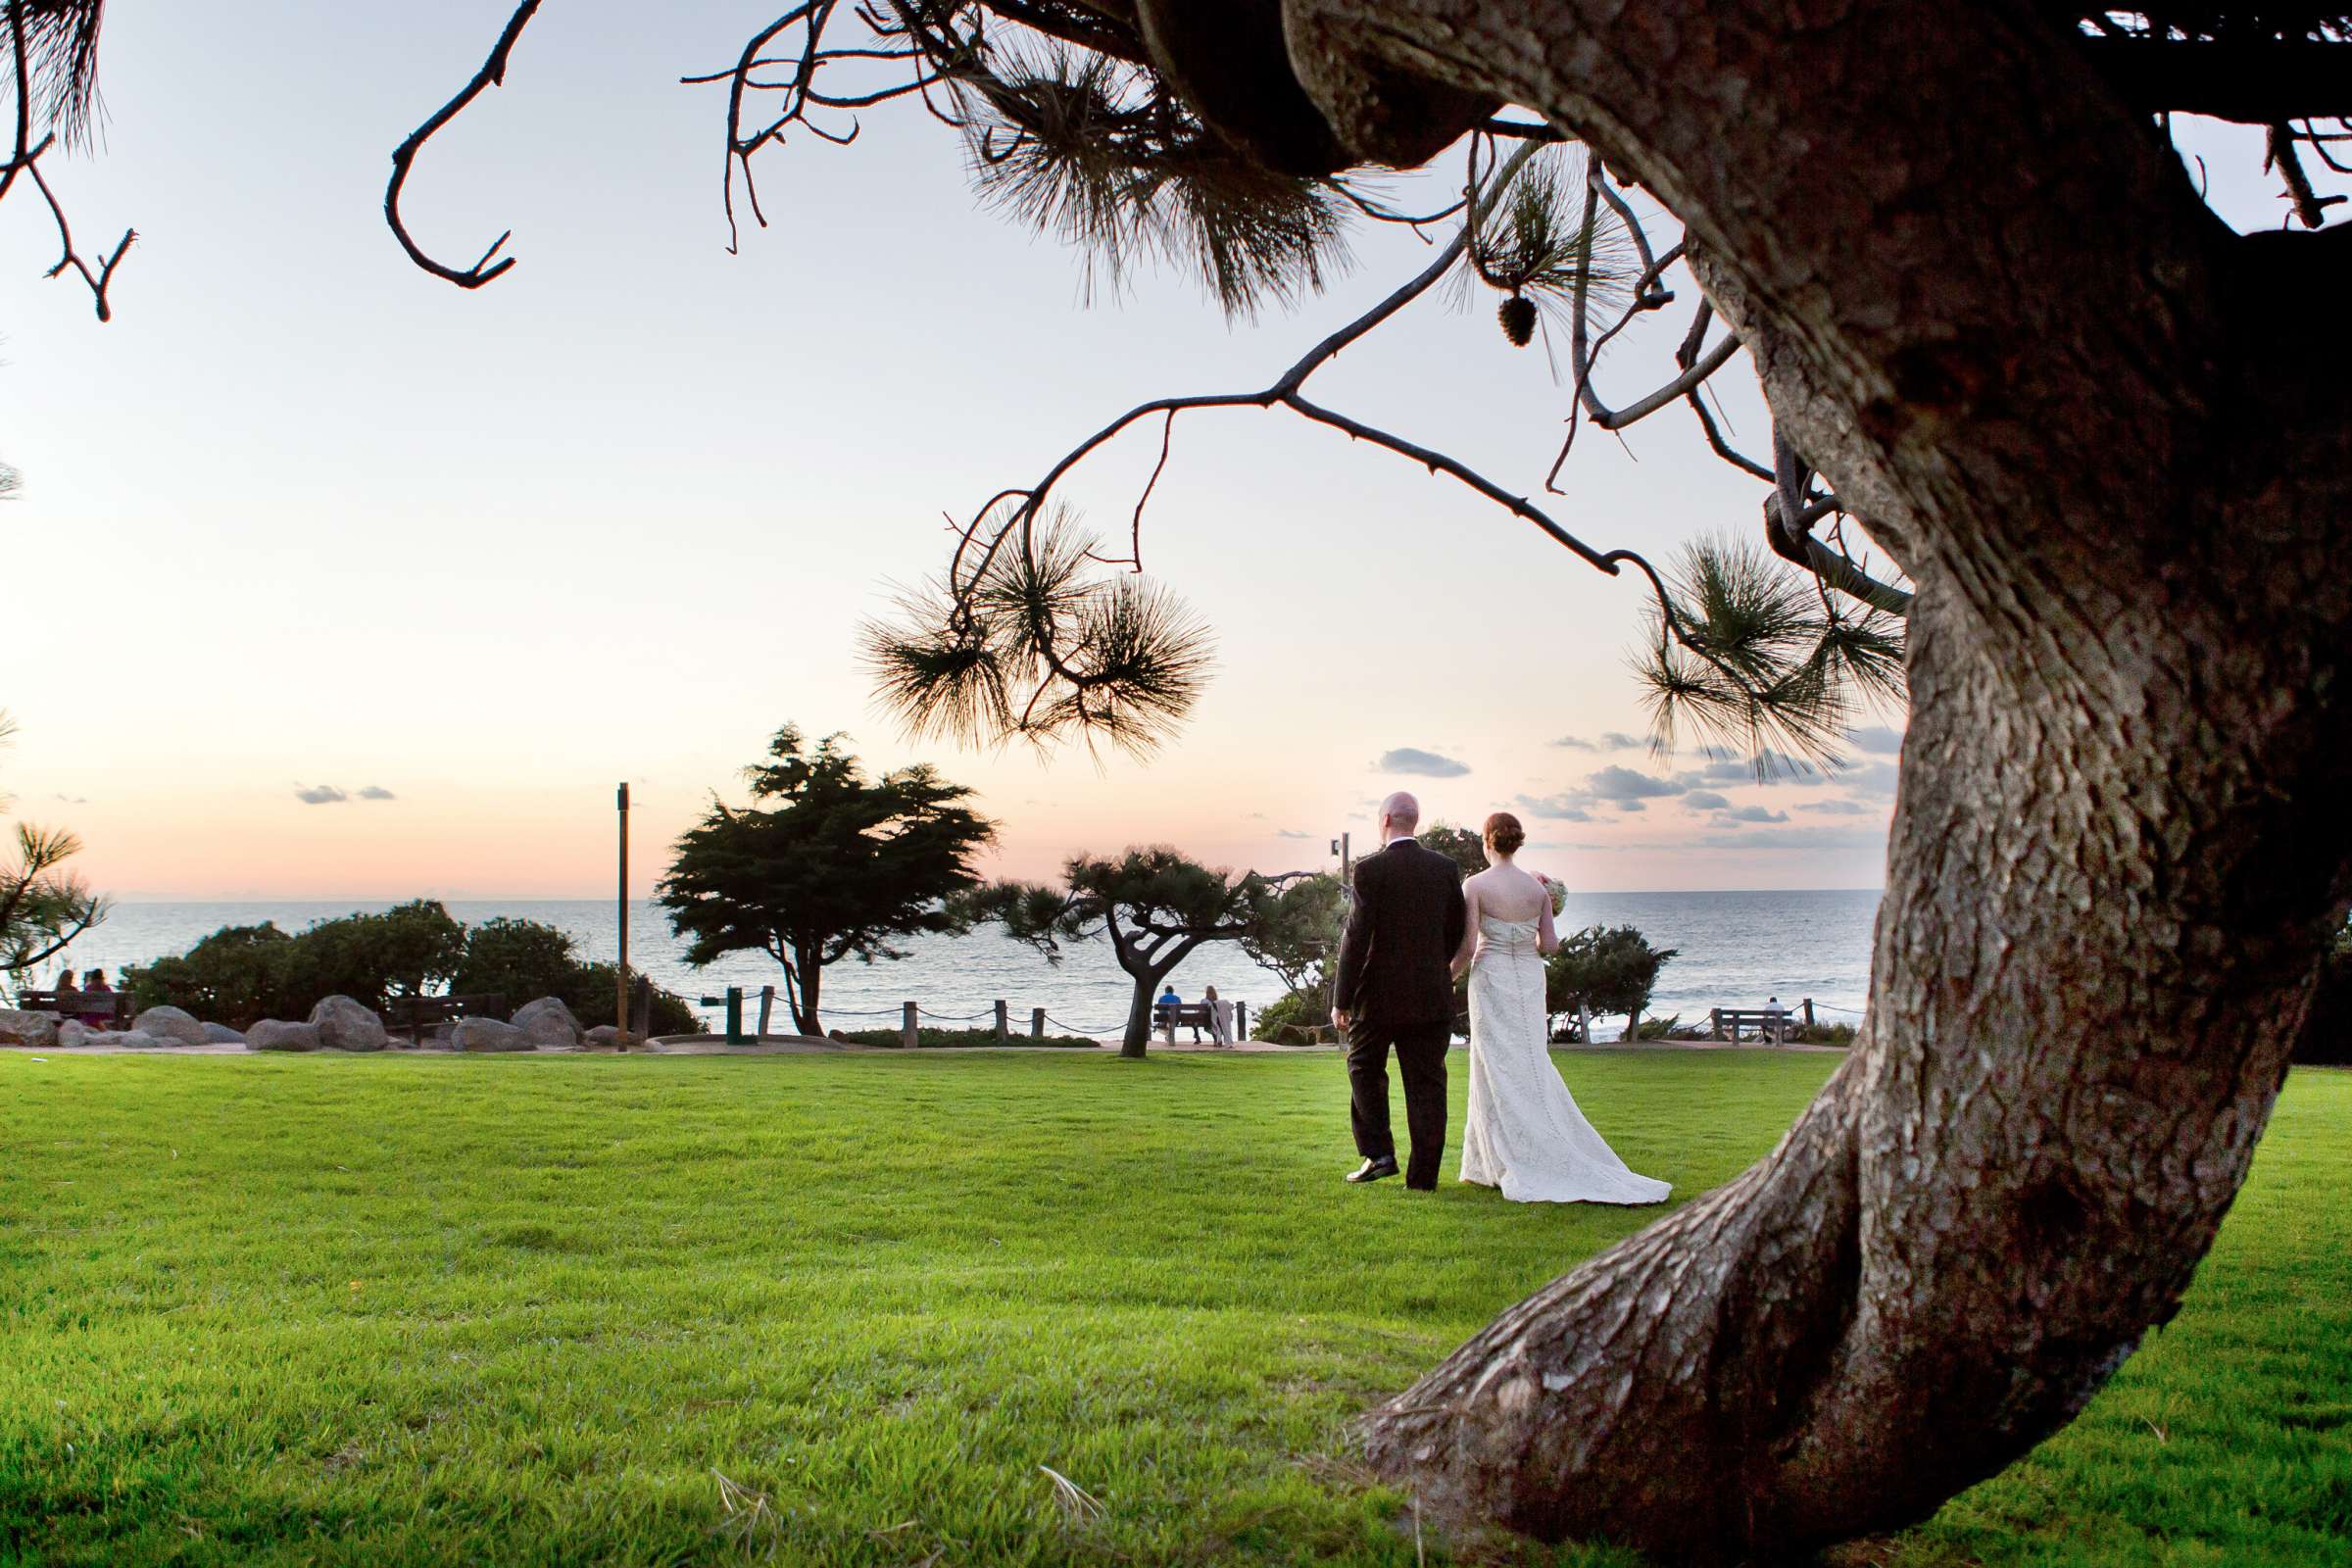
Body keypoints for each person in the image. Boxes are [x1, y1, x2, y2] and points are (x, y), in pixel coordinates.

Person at [1453, 811, 1670, 1205]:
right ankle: (1490, 1161)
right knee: (1530, 1060)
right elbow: (1550, 946)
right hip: (1530, 979)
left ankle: (1498, 1162)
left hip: (1491, 976)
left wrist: (1446, 976)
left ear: (1487, 841)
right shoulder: (1536, 891)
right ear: (1517, 843)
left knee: (1493, 1065)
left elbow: (1469, 946)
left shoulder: (1476, 885)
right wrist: (1527, 933)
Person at [1332, 790, 1467, 1189]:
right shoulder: (1445, 867)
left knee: (1363, 1068)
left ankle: (1379, 1154)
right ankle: (1422, 1178)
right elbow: (1456, 929)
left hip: (1377, 997)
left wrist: (1341, 999)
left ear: (1386, 821)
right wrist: (1432, 967)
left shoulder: (1369, 869)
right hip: (1431, 994)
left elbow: (1356, 937)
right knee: (1428, 1085)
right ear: (1415, 820)